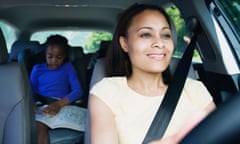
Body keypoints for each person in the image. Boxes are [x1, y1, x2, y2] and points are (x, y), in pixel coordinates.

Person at [88, 3, 216, 144]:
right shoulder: (106, 92)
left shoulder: (195, 90)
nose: (159, 43)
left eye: (166, 35)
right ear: (124, 43)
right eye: (146, 34)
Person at [30, 34, 83, 144]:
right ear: (45, 55)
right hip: (41, 106)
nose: (54, 60)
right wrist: (33, 103)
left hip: (62, 104)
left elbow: (78, 91)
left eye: (59, 57)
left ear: (65, 56)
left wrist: (58, 104)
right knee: (40, 126)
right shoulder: (37, 69)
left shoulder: (68, 67)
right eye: (50, 56)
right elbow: (30, 90)